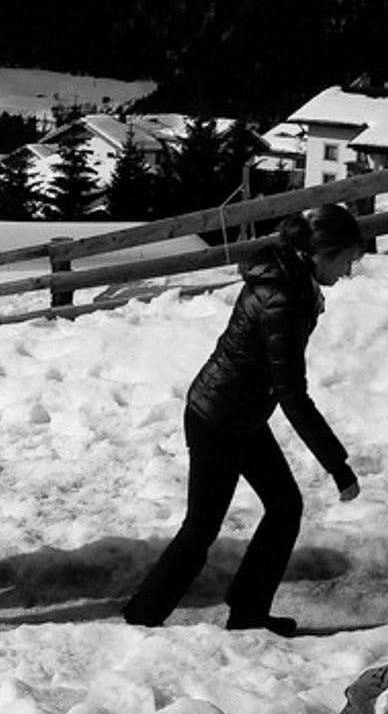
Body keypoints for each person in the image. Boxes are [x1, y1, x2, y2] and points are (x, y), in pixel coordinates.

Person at [122, 204, 367, 634]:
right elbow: (293, 395)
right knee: (201, 529)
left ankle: (249, 612)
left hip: (242, 413)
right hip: (217, 417)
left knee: (285, 506)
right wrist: (337, 465)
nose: (347, 272)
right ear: (323, 253)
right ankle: (142, 618)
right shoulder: (283, 297)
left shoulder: (290, 279)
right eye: (346, 260)